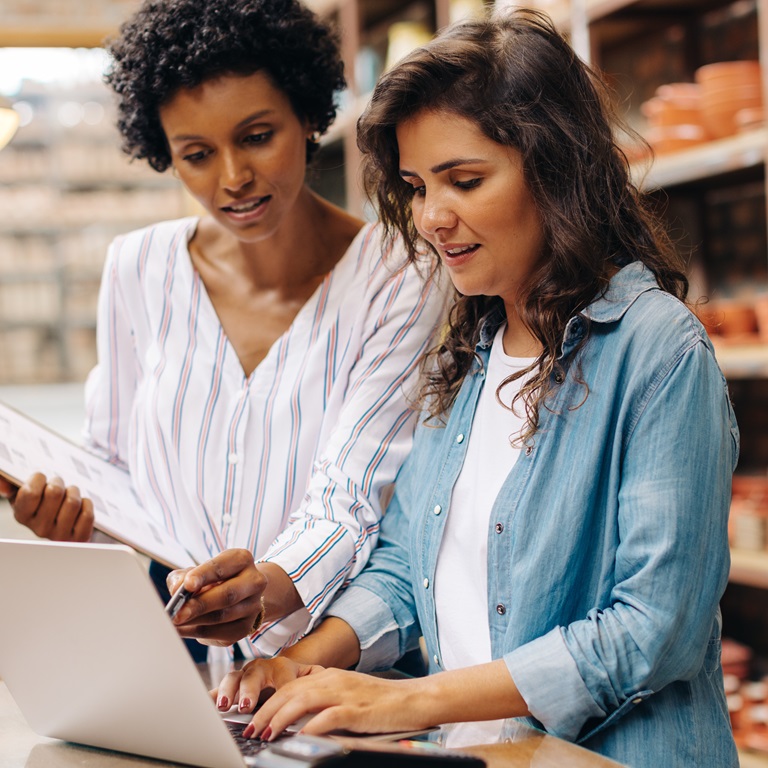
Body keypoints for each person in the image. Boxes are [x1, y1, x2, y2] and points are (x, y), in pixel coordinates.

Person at [212, 9, 739, 766]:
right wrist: (309, 662)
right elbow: (404, 568)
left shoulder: (657, 351)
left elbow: (652, 630)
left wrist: (406, 699)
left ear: (556, 170)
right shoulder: (469, 350)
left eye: (464, 180)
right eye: (418, 186)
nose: (432, 217)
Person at [0, 0, 445, 660]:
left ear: (306, 114)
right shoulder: (137, 267)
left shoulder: (400, 273)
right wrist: (73, 518)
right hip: (165, 653)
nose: (233, 178)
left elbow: (355, 493)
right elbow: (114, 466)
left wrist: (263, 590)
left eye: (257, 136)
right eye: (197, 154)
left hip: (328, 661)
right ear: (165, 154)